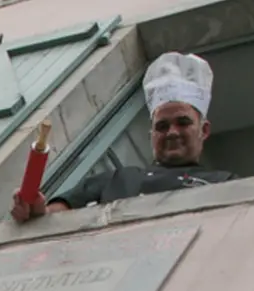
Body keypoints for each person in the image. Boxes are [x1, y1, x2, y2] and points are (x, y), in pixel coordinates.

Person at [13, 52, 234, 219]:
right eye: (162, 126)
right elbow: (54, 216)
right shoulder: (115, 179)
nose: (172, 132)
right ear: (152, 134)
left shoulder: (226, 183)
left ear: (204, 130)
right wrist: (36, 212)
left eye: (183, 122)